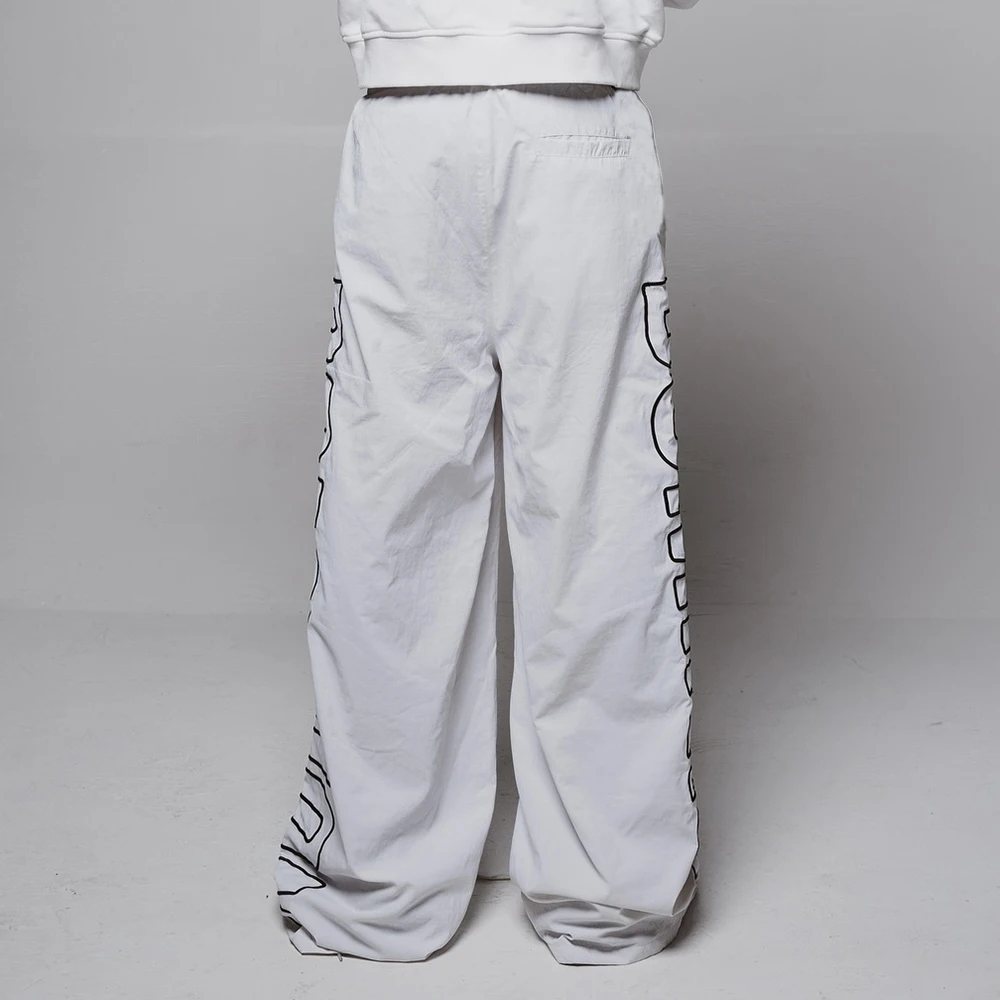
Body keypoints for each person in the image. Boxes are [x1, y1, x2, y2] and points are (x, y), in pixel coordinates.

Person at [274, 0, 702, 966]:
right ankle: (609, 894)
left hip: (414, 115)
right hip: (576, 111)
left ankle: (380, 889)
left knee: (392, 512)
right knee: (600, 511)